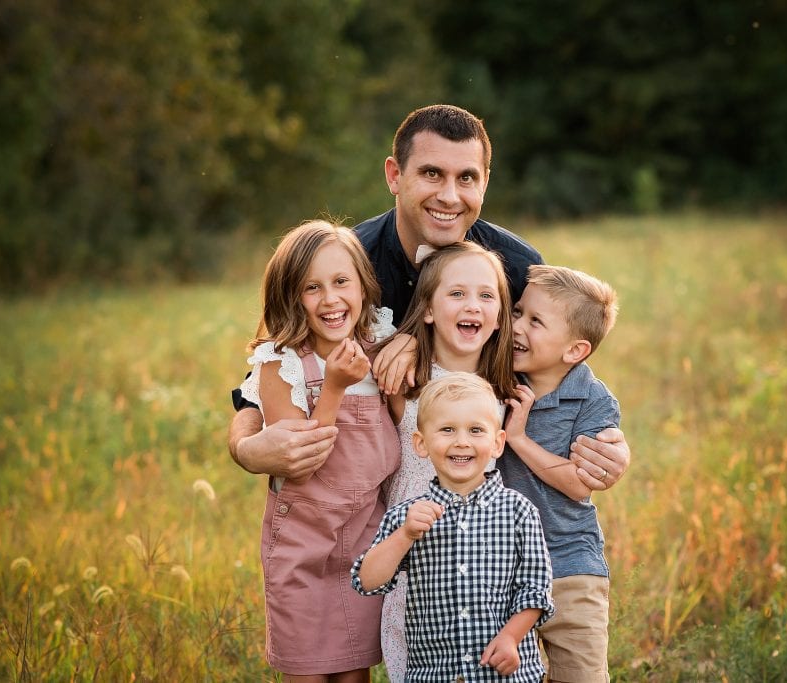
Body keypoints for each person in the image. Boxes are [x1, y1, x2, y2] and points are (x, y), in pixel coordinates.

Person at [228, 104, 630, 493]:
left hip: (483, 485)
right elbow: (277, 358)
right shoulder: (348, 262)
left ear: (485, 182)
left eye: (467, 178)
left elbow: (560, 357)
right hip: (362, 488)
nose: (450, 196)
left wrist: (607, 437)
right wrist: (246, 447)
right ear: (394, 175)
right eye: (432, 173)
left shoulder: (515, 267)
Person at [237, 220, 401, 681]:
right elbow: (301, 462)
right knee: (307, 669)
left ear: (363, 287)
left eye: (341, 282)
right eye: (312, 287)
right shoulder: (281, 362)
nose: (331, 300)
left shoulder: (380, 343)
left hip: (366, 538)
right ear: (291, 296)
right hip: (303, 543)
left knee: (353, 670)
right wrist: (333, 388)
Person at [373, 240, 516, 681]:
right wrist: (402, 344)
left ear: (498, 317)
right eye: (456, 294)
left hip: (485, 569)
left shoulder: (504, 388)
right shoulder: (404, 380)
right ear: (428, 309)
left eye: (485, 295)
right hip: (415, 563)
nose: (472, 304)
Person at [352, 372, 554, 682]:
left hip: (505, 674)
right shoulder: (408, 515)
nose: (462, 441)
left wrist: (511, 638)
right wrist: (404, 536)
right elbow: (367, 581)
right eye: (447, 429)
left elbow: (535, 589)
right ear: (421, 443)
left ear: (497, 442)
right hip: (434, 674)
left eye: (476, 430)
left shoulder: (518, 511)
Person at [500, 265, 621, 682]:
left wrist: (518, 439)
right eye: (517, 312)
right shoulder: (498, 379)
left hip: (570, 564)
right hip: (504, 565)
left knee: (582, 674)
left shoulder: (593, 398)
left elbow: (577, 482)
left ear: (575, 351)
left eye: (535, 321)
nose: (516, 326)